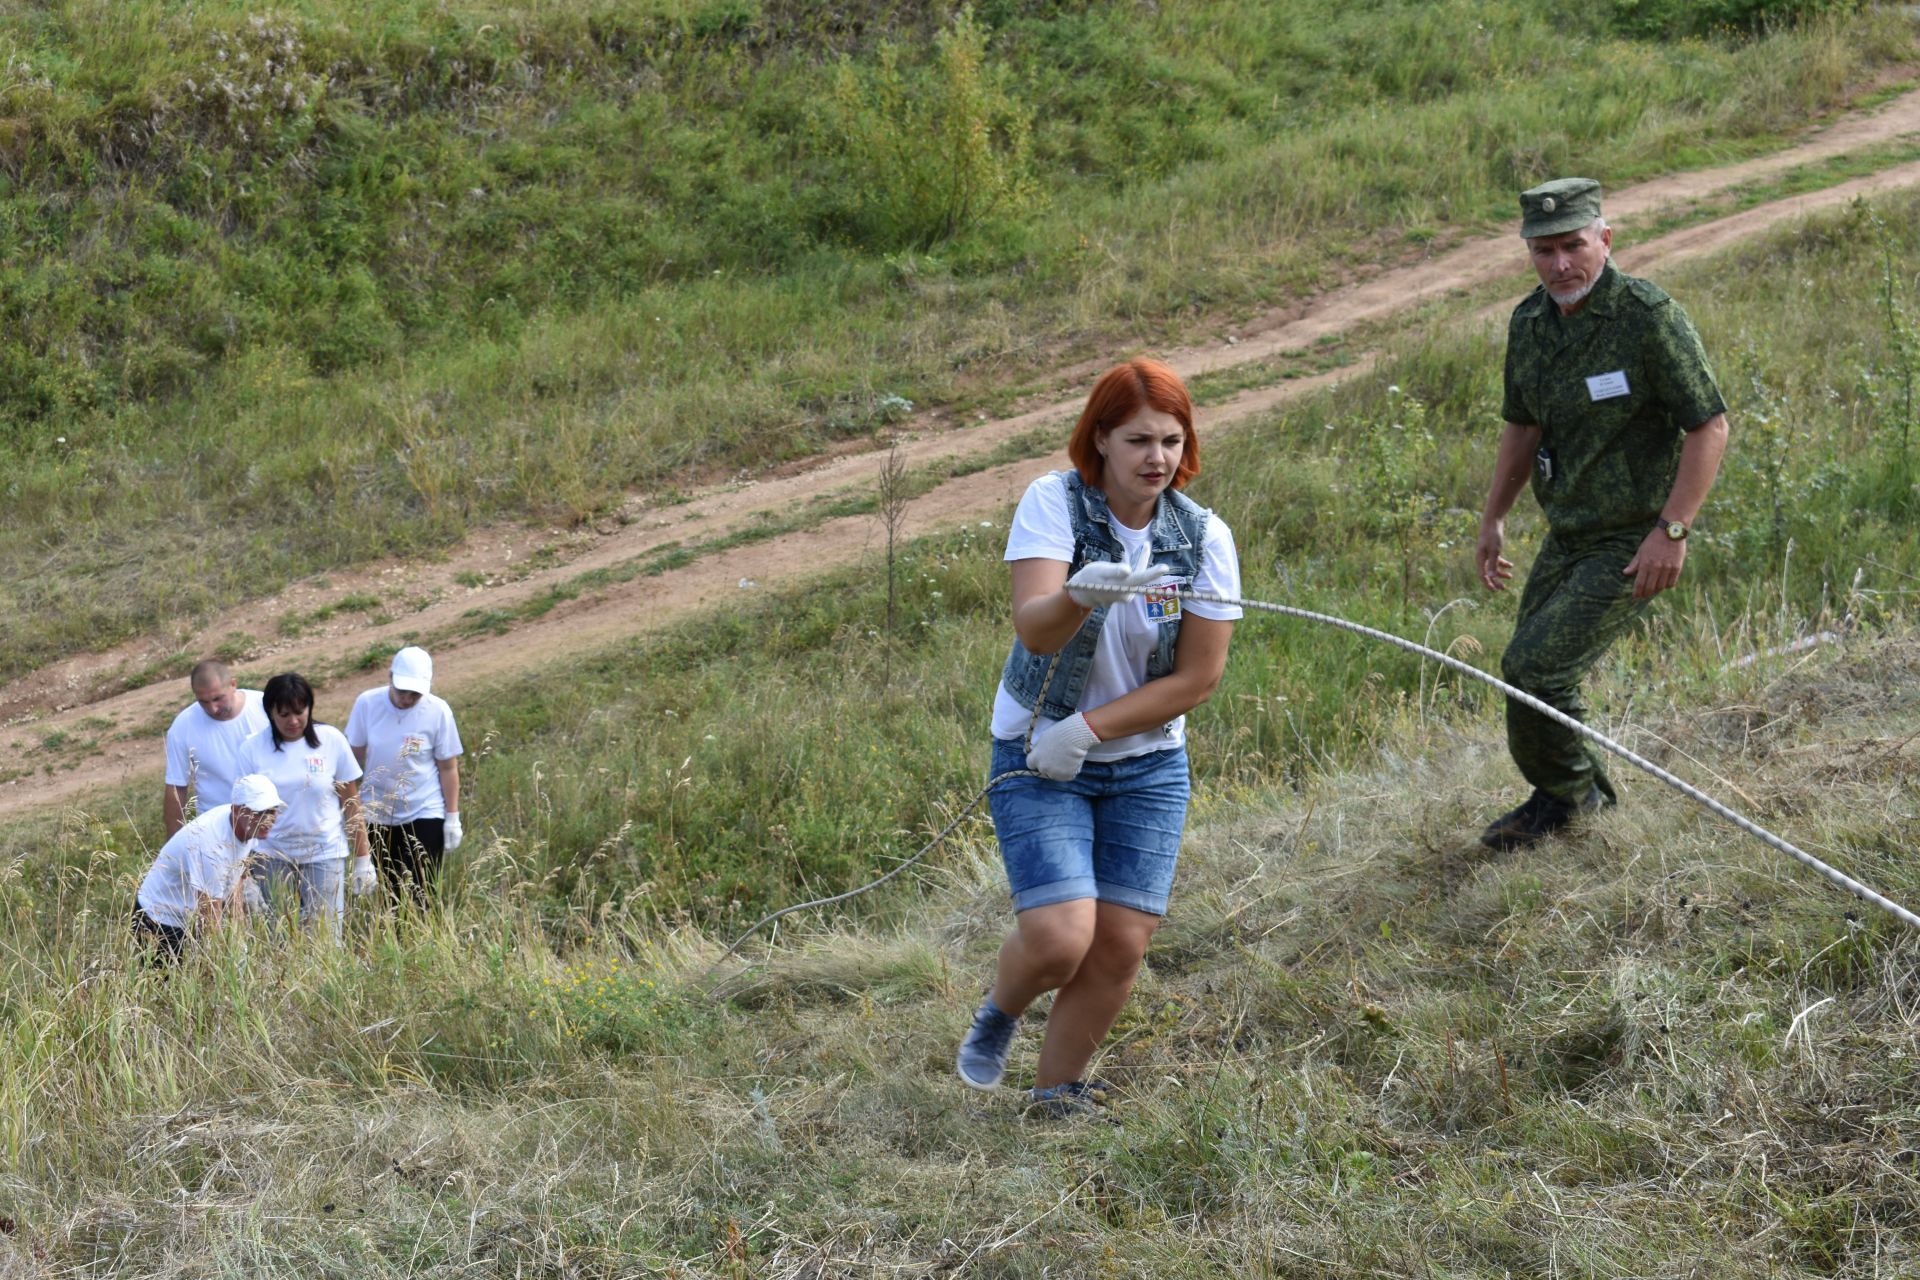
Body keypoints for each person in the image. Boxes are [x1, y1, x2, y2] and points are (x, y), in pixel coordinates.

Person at [954, 357, 1241, 1115]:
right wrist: (1078, 595)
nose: (1158, 459)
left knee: (1117, 945)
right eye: (1140, 440)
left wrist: (1089, 728)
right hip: (1037, 754)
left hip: (1146, 765)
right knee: (1057, 940)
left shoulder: (1205, 539)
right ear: (1101, 440)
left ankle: (1056, 1095)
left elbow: (1197, 680)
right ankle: (1001, 1014)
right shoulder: (1053, 502)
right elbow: (1035, 630)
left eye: (1173, 441)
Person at [1476, 178, 1730, 848]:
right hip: (1568, 533)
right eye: (1545, 250)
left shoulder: (1647, 318)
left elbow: (1709, 426)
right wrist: (1494, 517)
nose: (1561, 264)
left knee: (1537, 670)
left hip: (1631, 537)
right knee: (1525, 674)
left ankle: (1580, 803)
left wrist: (1672, 531)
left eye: (1574, 246)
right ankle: (1560, 802)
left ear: (1605, 240)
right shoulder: (1529, 324)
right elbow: (1523, 427)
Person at [238, 673, 373, 937]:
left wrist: (363, 858)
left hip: (324, 851)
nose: (294, 721)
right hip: (272, 855)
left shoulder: (331, 740)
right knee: (278, 937)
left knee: (326, 937)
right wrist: (243, 874)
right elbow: (243, 813)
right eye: (285, 714)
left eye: (300, 712)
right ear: (271, 713)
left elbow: (351, 802)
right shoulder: (252, 749)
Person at [346, 646, 465, 909]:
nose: (407, 699)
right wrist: (350, 812)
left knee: (422, 888)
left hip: (424, 808)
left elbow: (447, 767)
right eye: (402, 691)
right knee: (391, 890)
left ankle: (426, 939)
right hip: (377, 810)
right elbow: (351, 762)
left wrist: (452, 817)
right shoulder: (367, 704)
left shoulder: (438, 711)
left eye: (415, 694)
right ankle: (398, 943)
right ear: (389, 677)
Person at [133, 773, 284, 963]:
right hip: (159, 918)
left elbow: (236, 882)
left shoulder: (249, 827)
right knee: (165, 988)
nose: (268, 819)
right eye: (260, 812)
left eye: (272, 811)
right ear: (237, 810)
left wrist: (238, 941)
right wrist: (226, 965)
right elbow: (209, 919)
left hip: (188, 916)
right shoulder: (211, 846)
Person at [162, 660, 270, 838]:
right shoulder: (183, 727)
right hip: (217, 833)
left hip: (271, 827)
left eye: (218, 698)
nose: (212, 708)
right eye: (203, 702)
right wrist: (174, 849)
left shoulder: (265, 707)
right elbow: (176, 787)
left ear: (233, 685)